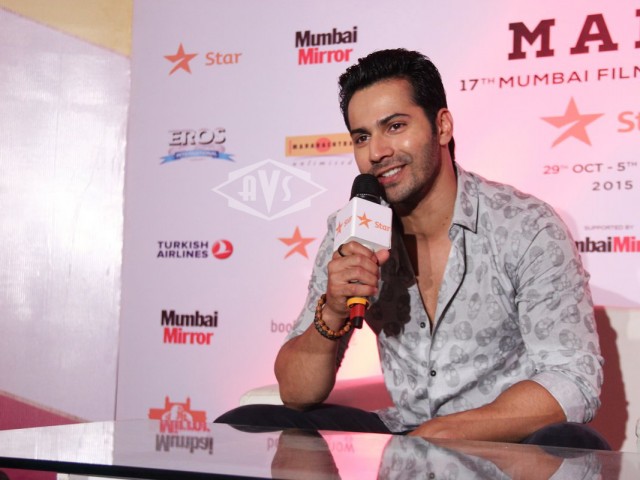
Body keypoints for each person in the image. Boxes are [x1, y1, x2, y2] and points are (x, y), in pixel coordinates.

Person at [216, 48, 608, 449]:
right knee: (249, 420)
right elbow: (297, 393)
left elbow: (572, 378)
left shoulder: (525, 225)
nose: (377, 152)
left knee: (572, 442)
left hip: (505, 444)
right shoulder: (351, 231)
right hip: (406, 436)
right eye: (362, 137)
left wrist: (444, 433)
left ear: (442, 126)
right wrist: (333, 310)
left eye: (395, 126)